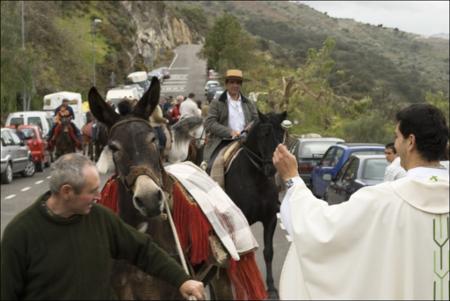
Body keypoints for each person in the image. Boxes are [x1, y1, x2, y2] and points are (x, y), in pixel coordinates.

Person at [273, 103, 449, 300]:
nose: (395, 145)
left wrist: (293, 179)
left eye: (396, 137)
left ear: (410, 141)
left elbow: (320, 228)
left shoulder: (381, 200)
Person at [1, 153, 205, 300]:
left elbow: (143, 250)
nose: (99, 196)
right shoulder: (20, 234)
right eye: (92, 191)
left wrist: (182, 280)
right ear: (66, 191)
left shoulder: (101, 218)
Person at [203, 69, 258, 164]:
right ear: (226, 84)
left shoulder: (249, 103)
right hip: (223, 142)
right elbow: (210, 123)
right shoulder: (217, 103)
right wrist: (230, 132)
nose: (235, 85)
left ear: (240, 85)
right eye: (232, 82)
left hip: (246, 142)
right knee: (216, 165)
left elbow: (256, 119)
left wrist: (250, 127)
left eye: (238, 83)